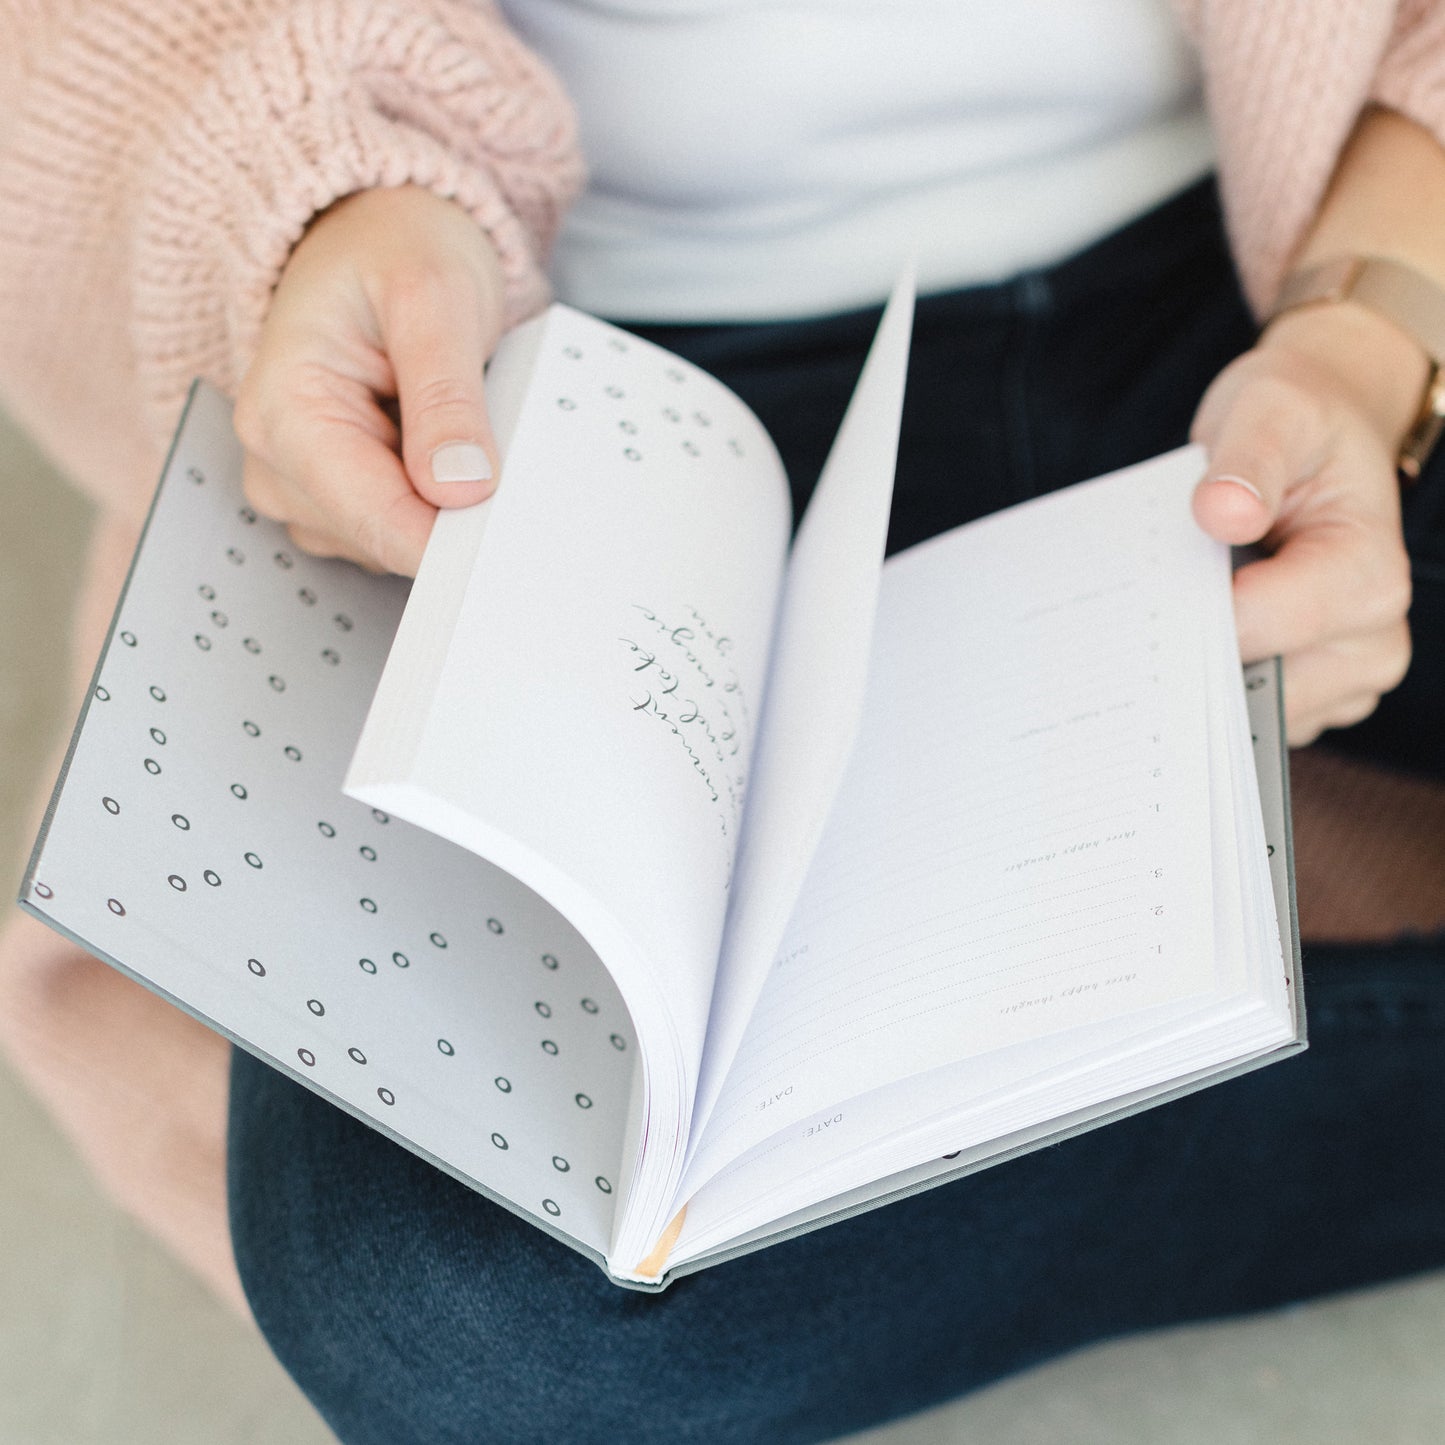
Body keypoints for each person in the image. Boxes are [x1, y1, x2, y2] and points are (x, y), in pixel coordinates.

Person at [1, 1, 1443, 1441]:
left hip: (1290, 261)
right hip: (573, 387)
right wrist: (323, 194)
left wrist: (1372, 330)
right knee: (451, 1305)